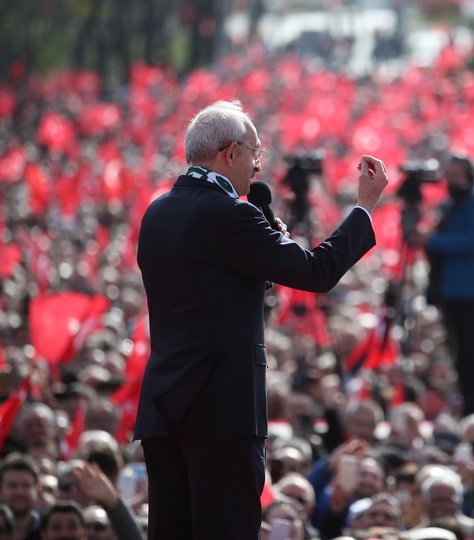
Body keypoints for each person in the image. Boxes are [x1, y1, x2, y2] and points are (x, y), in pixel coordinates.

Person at [133, 99, 387, 539]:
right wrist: (363, 208)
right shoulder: (232, 214)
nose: (256, 167)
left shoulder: (157, 212)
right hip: (221, 408)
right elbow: (316, 272)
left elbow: (205, 288)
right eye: (254, 153)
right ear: (230, 152)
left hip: (164, 405)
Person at [419, 156, 474, 416]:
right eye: (450, 174)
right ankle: (467, 402)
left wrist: (433, 241)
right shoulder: (452, 204)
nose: (454, 179)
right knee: (459, 355)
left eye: (458, 173)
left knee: (470, 354)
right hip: (453, 290)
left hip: (473, 290)